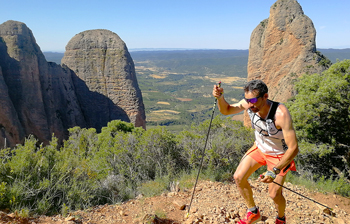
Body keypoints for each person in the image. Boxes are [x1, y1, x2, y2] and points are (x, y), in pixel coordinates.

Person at [212, 80, 299, 224]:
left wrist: (274, 171)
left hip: (278, 155)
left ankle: (281, 218)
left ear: (265, 97)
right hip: (259, 147)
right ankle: (253, 212)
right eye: (247, 100)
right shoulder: (249, 104)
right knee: (239, 177)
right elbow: (226, 110)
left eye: (253, 100)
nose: (249, 104)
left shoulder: (281, 114)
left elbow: (293, 148)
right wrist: (220, 98)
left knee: (274, 194)